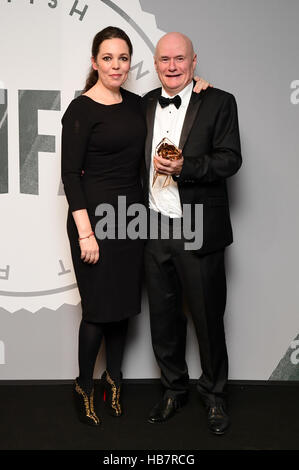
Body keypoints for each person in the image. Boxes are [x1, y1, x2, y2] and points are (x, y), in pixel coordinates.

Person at [61, 26, 209, 426]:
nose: (116, 65)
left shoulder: (137, 104)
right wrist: (86, 232)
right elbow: (71, 175)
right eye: (107, 58)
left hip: (132, 222)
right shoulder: (80, 110)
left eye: (123, 58)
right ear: (94, 63)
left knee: (122, 308)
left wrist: (198, 87)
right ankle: (84, 387)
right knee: (96, 310)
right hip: (94, 223)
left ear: (130, 63)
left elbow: (178, 110)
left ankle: (115, 381)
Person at [142, 32, 242, 435]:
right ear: (155, 62)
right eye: (164, 59)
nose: (172, 66)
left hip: (198, 227)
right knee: (163, 319)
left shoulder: (219, 101)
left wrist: (186, 167)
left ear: (194, 61)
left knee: (207, 317)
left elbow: (231, 159)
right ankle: (173, 389)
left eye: (179, 58)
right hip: (150, 225)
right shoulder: (144, 104)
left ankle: (215, 396)